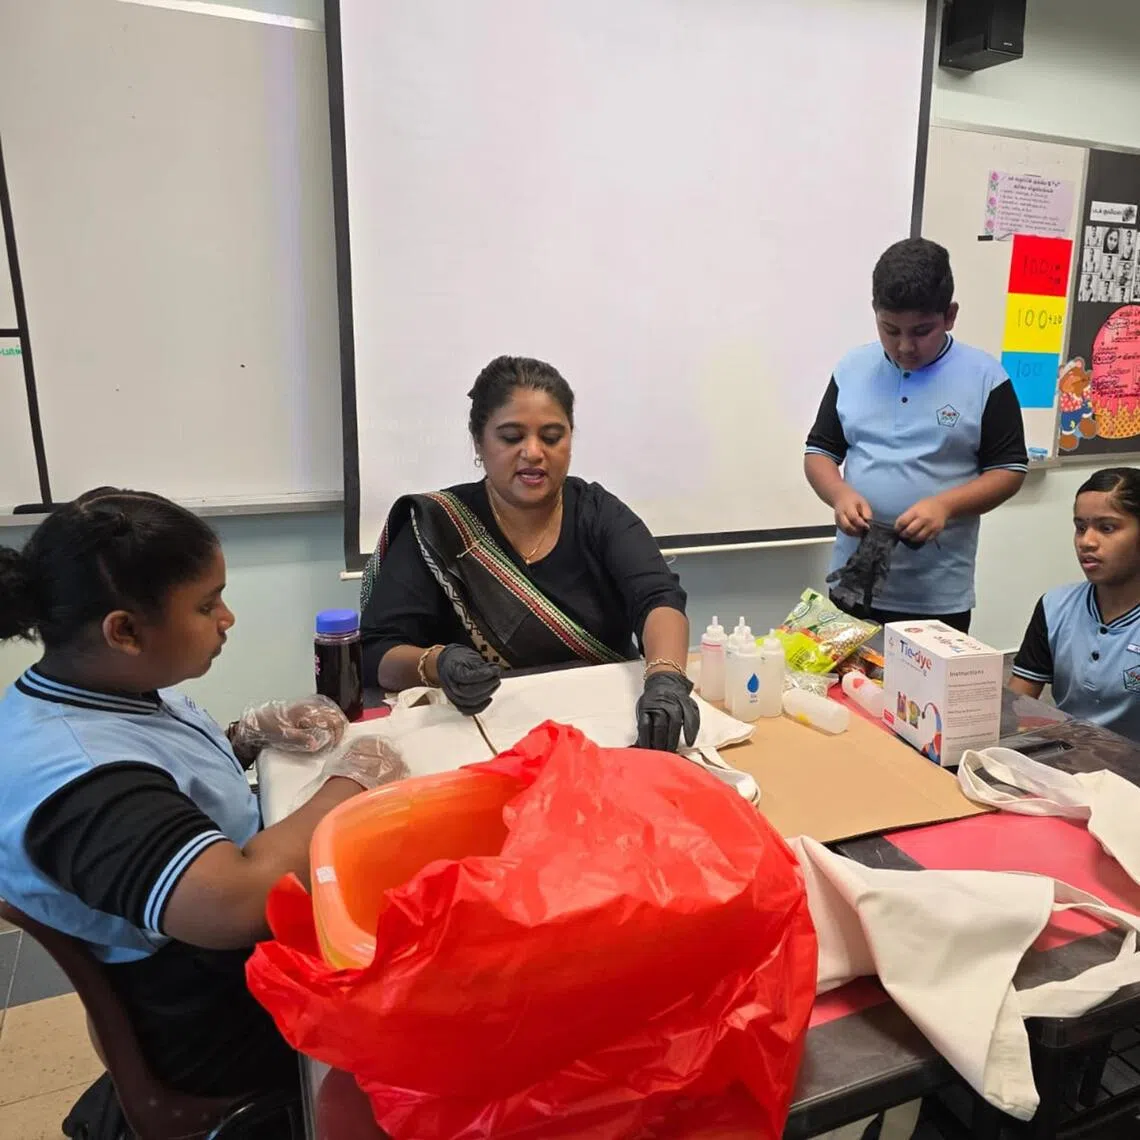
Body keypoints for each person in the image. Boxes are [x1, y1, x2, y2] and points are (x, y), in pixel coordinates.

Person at [0, 489, 393, 1105]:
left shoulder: (97, 685)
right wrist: (351, 787)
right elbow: (234, 905)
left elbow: (163, 775)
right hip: (208, 1018)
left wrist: (243, 737)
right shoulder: (80, 782)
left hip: (207, 972)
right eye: (208, 604)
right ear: (125, 631)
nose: (227, 619)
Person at [360, 355, 699, 752]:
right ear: (479, 441)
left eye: (552, 437)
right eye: (511, 437)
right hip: (473, 740)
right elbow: (376, 650)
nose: (534, 452)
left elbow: (658, 598)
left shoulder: (598, 513)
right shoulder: (441, 526)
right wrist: (437, 664)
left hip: (601, 736)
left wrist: (666, 677)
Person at [804, 237, 1028, 632]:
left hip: (936, 592)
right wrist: (839, 494)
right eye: (890, 330)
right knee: (839, 690)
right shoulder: (852, 368)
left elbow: (1009, 471)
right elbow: (819, 452)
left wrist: (945, 506)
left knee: (927, 695)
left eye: (921, 331)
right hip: (852, 581)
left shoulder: (986, 378)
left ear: (950, 315)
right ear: (875, 313)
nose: (905, 346)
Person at [1010, 468, 1140, 742]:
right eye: (1080, 528)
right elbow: (1016, 708)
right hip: (1067, 764)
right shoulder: (1055, 606)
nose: (1087, 542)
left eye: (1107, 528)